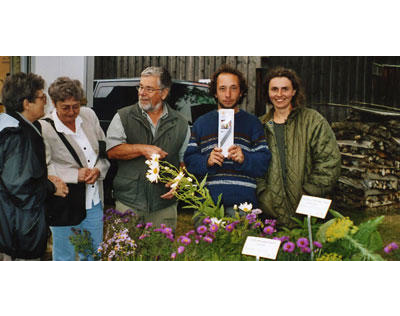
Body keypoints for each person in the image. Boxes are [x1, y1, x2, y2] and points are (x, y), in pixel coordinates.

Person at [256, 66, 341, 228]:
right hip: (271, 215)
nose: (279, 94)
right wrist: (264, 196)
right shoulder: (259, 125)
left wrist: (308, 194)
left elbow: (329, 163)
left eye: (285, 89)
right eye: (274, 89)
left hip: (309, 214)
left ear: (294, 91)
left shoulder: (313, 121)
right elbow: (254, 169)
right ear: (268, 92)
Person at [106, 66, 190, 230]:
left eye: (149, 89)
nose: (142, 93)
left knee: (159, 254)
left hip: (164, 205)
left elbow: (185, 161)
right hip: (128, 202)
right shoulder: (123, 116)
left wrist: (180, 180)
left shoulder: (181, 123)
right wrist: (142, 149)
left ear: (164, 93)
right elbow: (112, 151)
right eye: (141, 87)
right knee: (126, 254)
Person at [184, 64, 271, 217]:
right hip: (207, 205)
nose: (228, 94)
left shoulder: (253, 123)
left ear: (241, 92)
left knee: (241, 241)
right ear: (215, 92)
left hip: (243, 207)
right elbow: (190, 162)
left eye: (234, 88)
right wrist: (207, 161)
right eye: (222, 89)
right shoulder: (201, 123)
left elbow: (264, 163)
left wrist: (245, 158)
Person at [39, 77, 110, 261]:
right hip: (64, 205)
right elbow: (42, 167)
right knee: (65, 256)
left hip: (94, 202)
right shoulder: (43, 127)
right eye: (66, 107)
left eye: (76, 106)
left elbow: (103, 152)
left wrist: (98, 171)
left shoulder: (89, 116)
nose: (72, 112)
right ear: (53, 103)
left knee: (94, 255)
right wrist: (74, 175)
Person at [0, 72, 68, 261]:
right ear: (26, 103)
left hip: (11, 225)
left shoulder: (11, 125)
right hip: (19, 231)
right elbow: (20, 187)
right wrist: (52, 187)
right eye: (41, 97)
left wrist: (43, 179)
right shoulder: (17, 135)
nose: (45, 103)